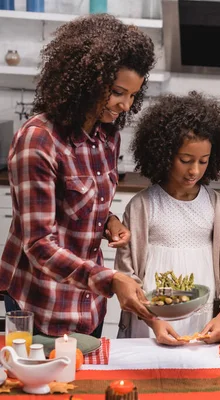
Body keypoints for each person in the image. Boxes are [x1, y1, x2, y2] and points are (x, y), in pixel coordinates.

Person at [0, 14, 156, 337]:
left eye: (132, 95)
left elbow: (81, 201)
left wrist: (109, 220)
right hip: (39, 306)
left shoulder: (108, 136)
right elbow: (39, 243)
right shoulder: (39, 140)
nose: (125, 105)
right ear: (87, 79)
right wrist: (110, 279)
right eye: (117, 92)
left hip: (89, 306)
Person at [115, 92, 220, 345]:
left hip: (202, 319)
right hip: (149, 323)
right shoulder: (142, 206)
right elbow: (126, 274)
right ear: (163, 154)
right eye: (185, 160)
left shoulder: (218, 207)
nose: (194, 170)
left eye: (203, 161)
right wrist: (153, 319)